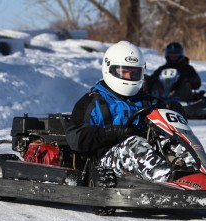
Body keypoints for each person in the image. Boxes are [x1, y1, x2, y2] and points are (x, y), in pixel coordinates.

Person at [66, 41, 172, 182]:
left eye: (134, 73)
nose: (128, 77)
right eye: (124, 72)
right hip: (104, 162)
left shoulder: (147, 101)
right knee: (133, 143)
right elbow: (76, 138)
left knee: (171, 141)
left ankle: (193, 174)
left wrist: (174, 109)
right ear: (109, 68)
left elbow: (168, 123)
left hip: (143, 159)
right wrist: (112, 133)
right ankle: (167, 181)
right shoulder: (92, 101)